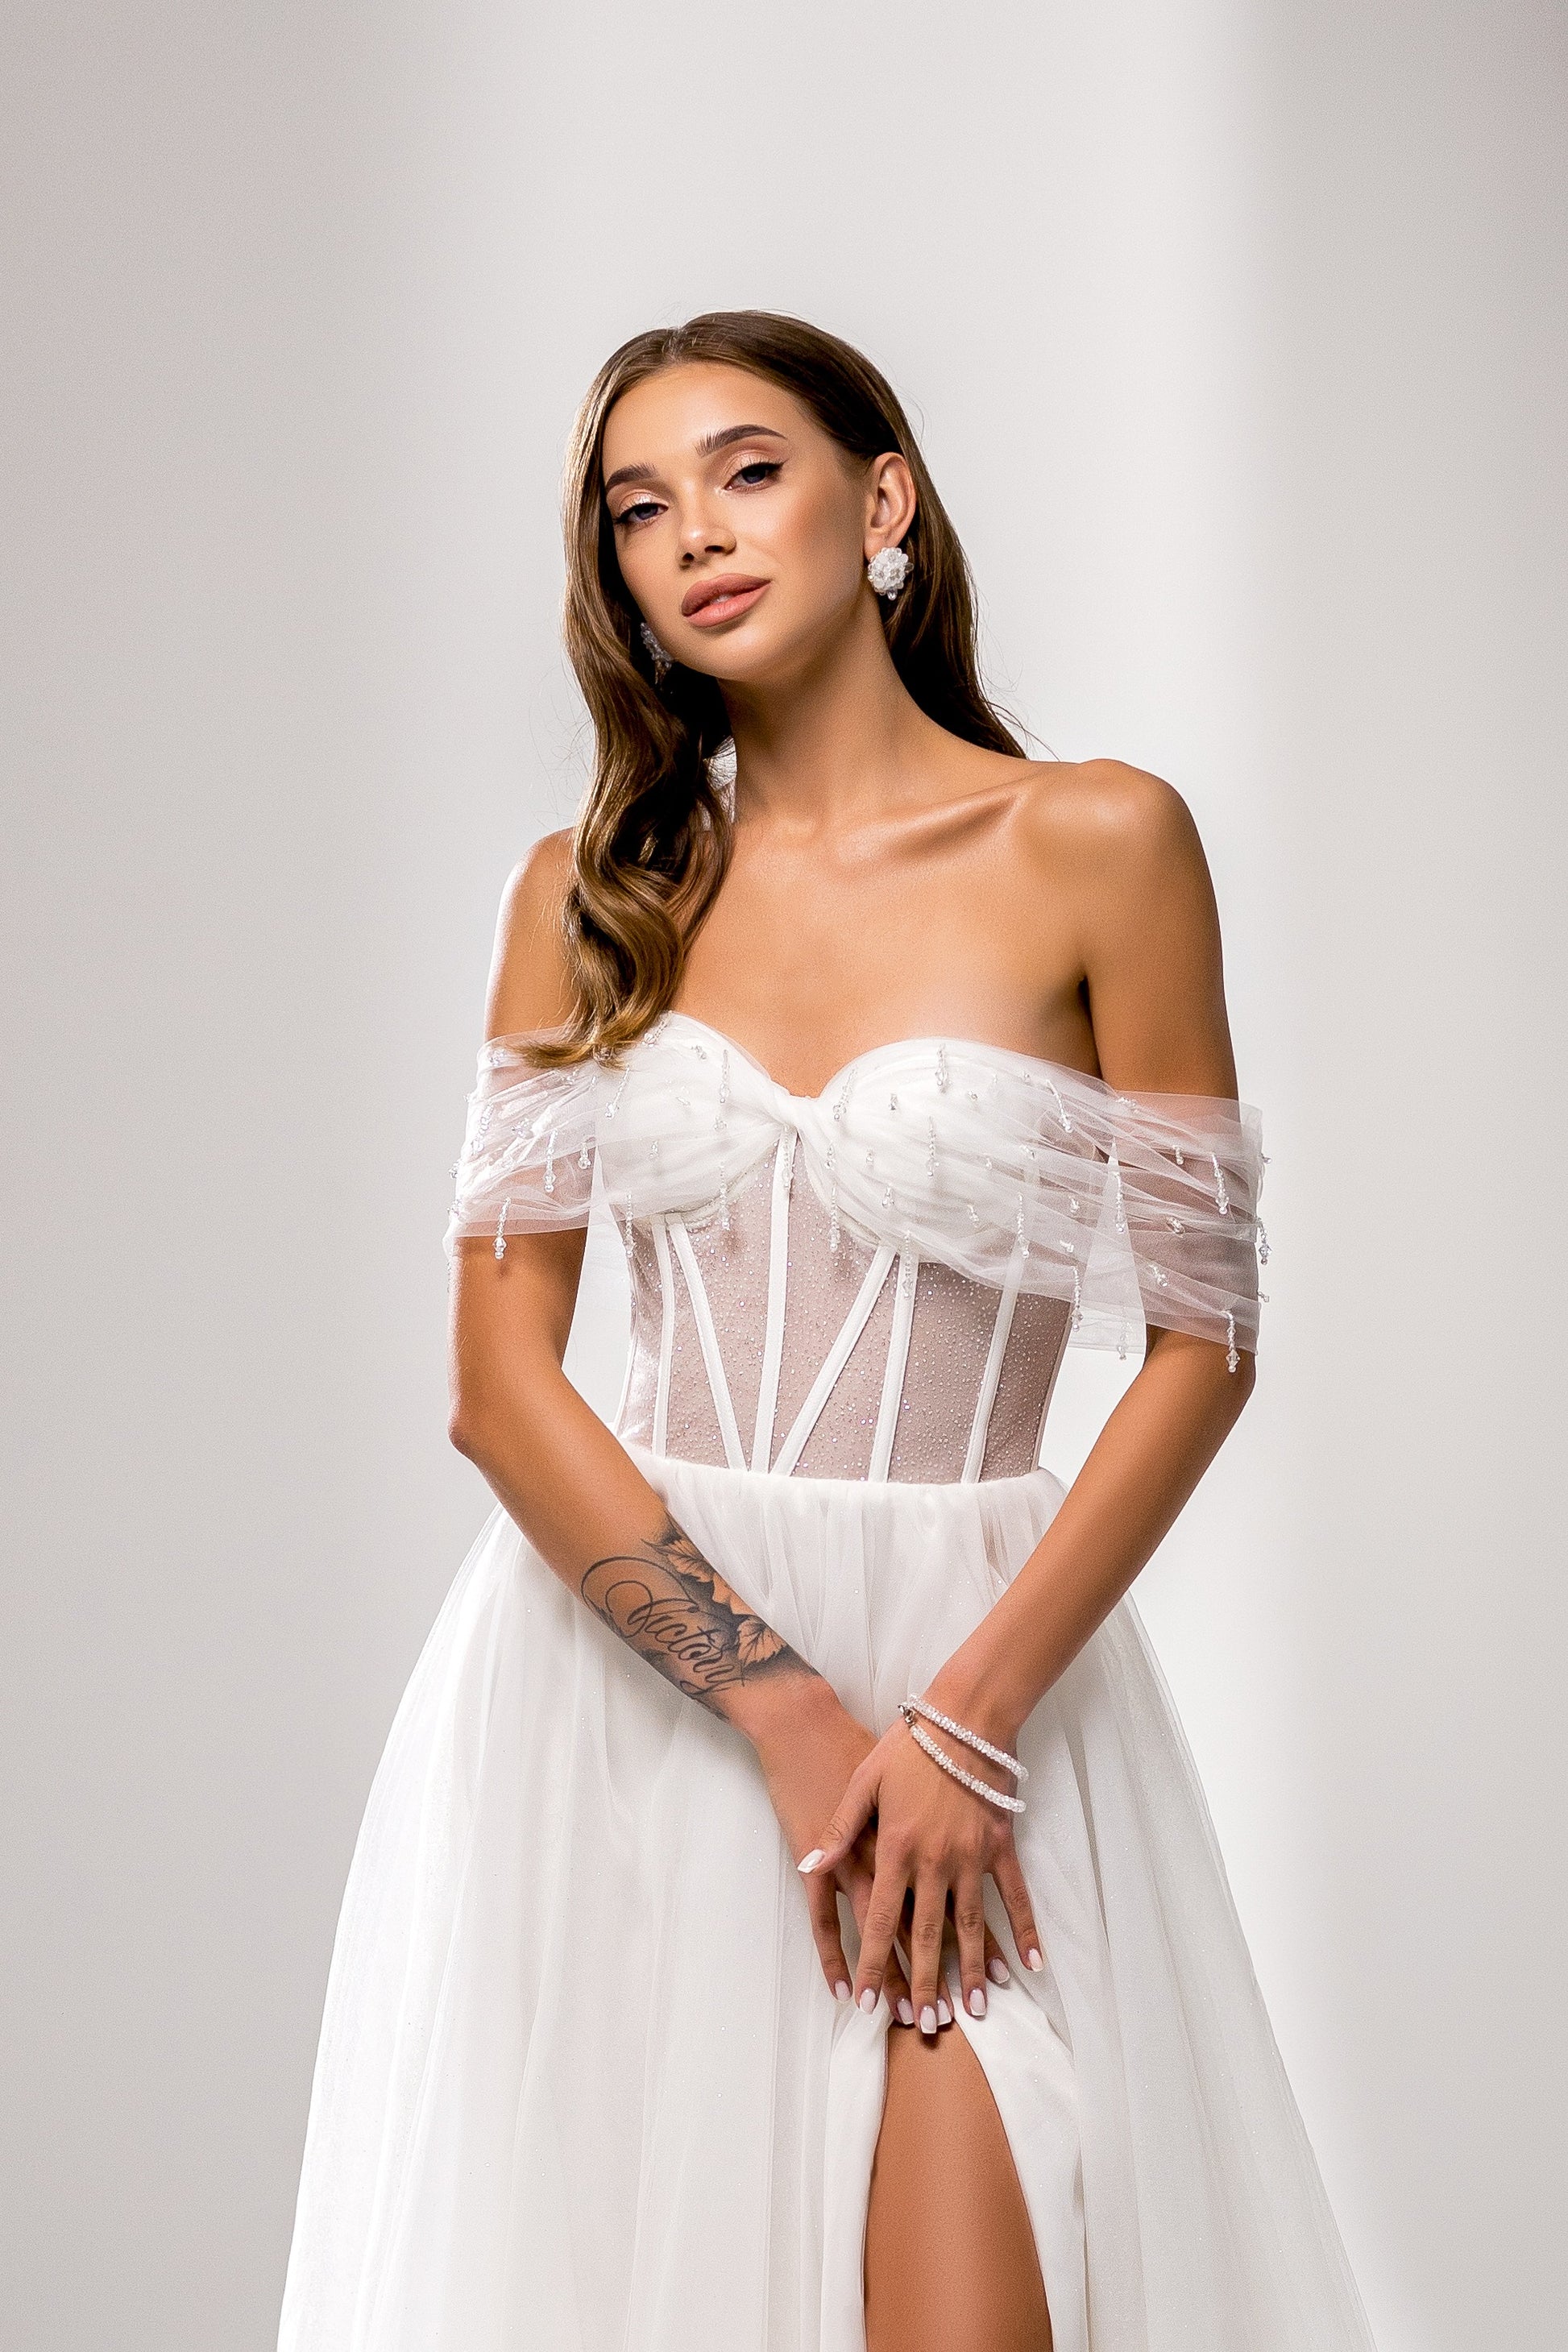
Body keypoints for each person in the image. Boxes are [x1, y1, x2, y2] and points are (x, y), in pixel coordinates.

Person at [277, 311, 1378, 2352]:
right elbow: (497, 1385)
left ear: (882, 501)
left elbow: (1203, 1342)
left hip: (980, 1673)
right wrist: (784, 1709)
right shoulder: (583, 893)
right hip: (627, 1695)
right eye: (638, 508)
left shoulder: (1099, 841)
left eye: (747, 469)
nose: (693, 531)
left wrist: (962, 1719)